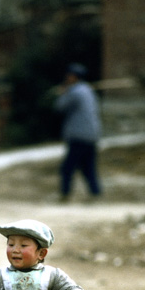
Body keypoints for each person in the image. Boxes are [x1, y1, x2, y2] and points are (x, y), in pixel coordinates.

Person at [54, 63, 102, 201]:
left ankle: (65, 194)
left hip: (79, 135)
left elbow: (59, 107)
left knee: (67, 167)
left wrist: (63, 93)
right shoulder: (88, 90)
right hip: (92, 134)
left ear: (74, 77)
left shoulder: (74, 92)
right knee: (88, 167)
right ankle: (95, 193)